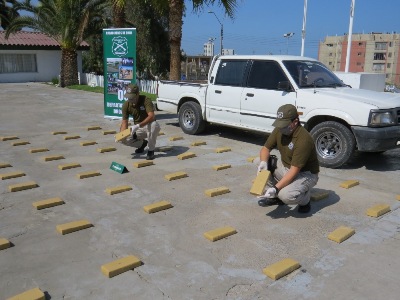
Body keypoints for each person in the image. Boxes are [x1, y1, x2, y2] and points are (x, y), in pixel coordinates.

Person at [256, 104, 319, 213]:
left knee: (285, 195)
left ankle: (305, 199)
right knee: (259, 161)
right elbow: (265, 149)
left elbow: (295, 170)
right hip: (286, 168)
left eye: (284, 125)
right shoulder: (280, 130)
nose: (281, 128)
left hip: (305, 174)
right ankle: (274, 197)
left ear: (295, 122)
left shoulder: (303, 139)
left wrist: (276, 188)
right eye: (280, 125)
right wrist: (263, 162)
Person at [119, 83, 160, 160]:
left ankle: (151, 150)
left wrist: (138, 125)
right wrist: (121, 135)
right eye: (128, 97)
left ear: (137, 94)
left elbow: (152, 116)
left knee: (154, 125)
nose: (130, 100)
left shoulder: (146, 100)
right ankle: (142, 144)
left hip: (148, 126)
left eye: (132, 97)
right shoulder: (126, 105)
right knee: (123, 139)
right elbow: (124, 122)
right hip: (138, 130)